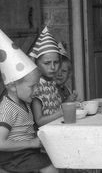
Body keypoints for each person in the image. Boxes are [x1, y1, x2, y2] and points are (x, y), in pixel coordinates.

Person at [0, 29, 58, 173]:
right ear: (12, 86)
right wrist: (32, 143)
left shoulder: (24, 102)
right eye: (32, 87)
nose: (37, 90)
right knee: (49, 167)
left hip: (25, 153)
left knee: (54, 159)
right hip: (12, 156)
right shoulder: (7, 108)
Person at [30, 26, 63, 127]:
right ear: (36, 63)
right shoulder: (37, 87)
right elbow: (39, 121)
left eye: (56, 62)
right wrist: (61, 113)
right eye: (47, 63)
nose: (53, 67)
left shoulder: (52, 82)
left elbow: (55, 107)